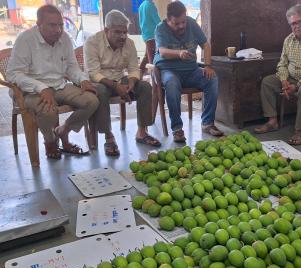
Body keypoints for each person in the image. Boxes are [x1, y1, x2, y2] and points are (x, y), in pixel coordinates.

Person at [6, 4, 98, 159]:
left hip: (59, 85)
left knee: (92, 100)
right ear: (39, 24)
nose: (58, 30)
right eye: (52, 25)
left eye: (60, 25)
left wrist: (83, 80)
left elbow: (72, 67)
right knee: (48, 109)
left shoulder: (65, 38)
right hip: (29, 91)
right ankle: (50, 141)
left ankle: (63, 131)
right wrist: (41, 88)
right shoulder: (26, 39)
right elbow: (13, 74)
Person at [84, 9, 160, 154]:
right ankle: (109, 137)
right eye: (118, 32)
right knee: (100, 91)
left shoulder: (129, 43)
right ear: (106, 30)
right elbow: (93, 73)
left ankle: (142, 132)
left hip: (120, 78)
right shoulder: (92, 42)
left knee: (144, 86)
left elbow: (133, 69)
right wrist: (115, 86)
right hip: (99, 81)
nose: (123, 36)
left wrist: (131, 82)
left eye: (125, 32)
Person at [255, 4, 301, 145]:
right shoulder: (288, 40)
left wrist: (297, 85)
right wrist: (284, 81)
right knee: (267, 82)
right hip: (292, 77)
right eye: (293, 23)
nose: (297, 26)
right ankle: (272, 121)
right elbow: (282, 63)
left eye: (300, 22)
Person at [154, 1, 223, 142]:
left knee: (212, 79)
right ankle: (177, 129)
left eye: (183, 22)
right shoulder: (160, 29)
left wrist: (208, 65)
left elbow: (205, 45)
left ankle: (208, 123)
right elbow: (163, 52)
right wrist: (179, 53)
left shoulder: (191, 23)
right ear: (168, 20)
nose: (181, 26)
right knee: (171, 84)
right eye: (176, 23)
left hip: (191, 71)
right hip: (169, 70)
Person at [138, 0, 161, 78]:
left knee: (147, 57)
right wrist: (166, 27)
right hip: (152, 36)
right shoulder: (150, 5)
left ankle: (138, 75)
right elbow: (158, 21)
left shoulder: (141, 6)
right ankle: (140, 75)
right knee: (152, 60)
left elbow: (140, 22)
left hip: (145, 35)